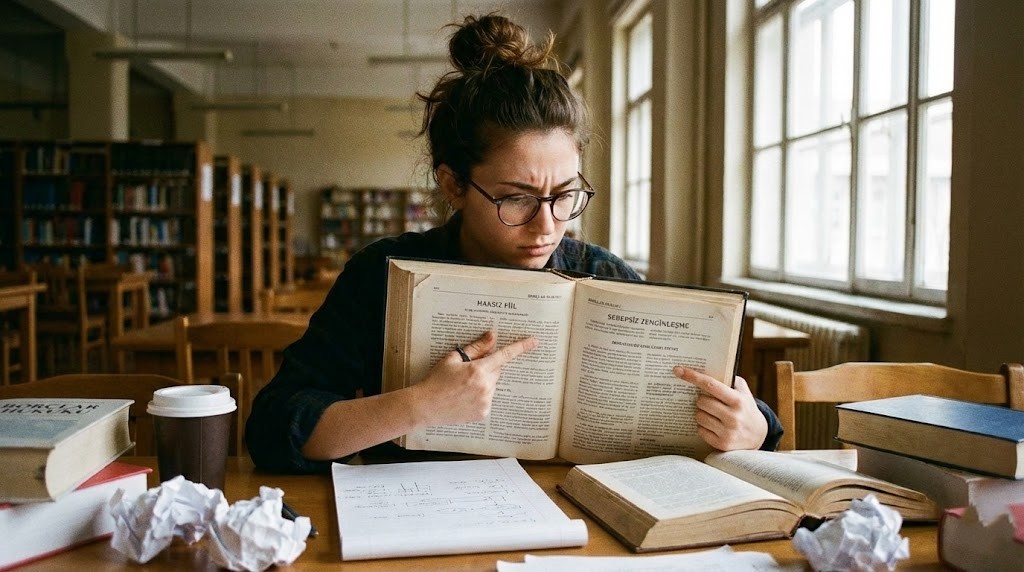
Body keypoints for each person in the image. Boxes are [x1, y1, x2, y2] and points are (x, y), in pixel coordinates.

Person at [246, 13, 783, 473]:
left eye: (566, 195)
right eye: (517, 199)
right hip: (420, 525)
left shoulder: (601, 274)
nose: (547, 226)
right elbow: (273, 429)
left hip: (576, 531)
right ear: (453, 184)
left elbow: (743, 415)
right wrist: (419, 406)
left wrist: (751, 428)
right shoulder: (382, 272)